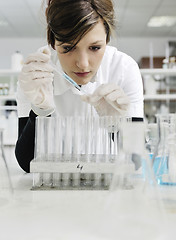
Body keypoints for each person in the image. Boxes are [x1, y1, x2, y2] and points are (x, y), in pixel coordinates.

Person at [15, 0, 144, 173]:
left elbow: (136, 161)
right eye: (68, 48)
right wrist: (40, 112)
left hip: (108, 189)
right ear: (53, 42)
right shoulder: (36, 72)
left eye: (95, 47)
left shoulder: (123, 68)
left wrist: (115, 125)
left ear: (107, 39)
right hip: (53, 187)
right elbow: (26, 163)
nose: (83, 64)